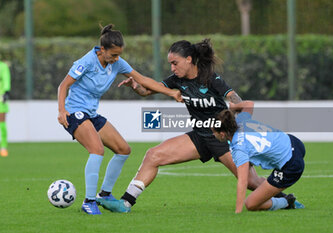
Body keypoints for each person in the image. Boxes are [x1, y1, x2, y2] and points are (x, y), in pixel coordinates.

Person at [97, 38, 267, 213]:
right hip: (199, 137)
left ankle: (285, 199)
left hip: (221, 138)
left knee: (251, 182)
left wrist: (239, 126)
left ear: (189, 59)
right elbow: (147, 91)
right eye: (170, 64)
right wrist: (135, 87)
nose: (172, 68)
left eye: (175, 63)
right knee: (153, 155)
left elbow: (236, 100)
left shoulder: (211, 78)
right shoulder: (176, 80)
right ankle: (125, 203)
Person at [57, 24, 182, 215]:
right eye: (113, 55)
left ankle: (104, 194)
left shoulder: (117, 62)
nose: (116, 59)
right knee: (97, 150)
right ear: (102, 50)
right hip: (74, 113)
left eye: (118, 55)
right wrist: (61, 111)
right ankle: (88, 201)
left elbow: (143, 80)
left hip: (91, 114)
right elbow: (63, 85)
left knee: (123, 150)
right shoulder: (87, 61)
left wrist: (171, 93)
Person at [212, 101, 306, 213]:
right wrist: (233, 107)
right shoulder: (240, 121)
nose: (213, 135)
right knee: (261, 183)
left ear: (222, 134)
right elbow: (249, 104)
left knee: (251, 204)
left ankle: (287, 202)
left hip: (291, 164)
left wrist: (238, 211)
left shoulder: (239, 148)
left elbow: (243, 181)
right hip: (293, 142)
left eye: (214, 132)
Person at [0, 60, 11, 157]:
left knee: (2, 124)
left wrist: (6, 92)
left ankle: (3, 147)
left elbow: (6, 80)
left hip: (0, 99)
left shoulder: (3, 67)